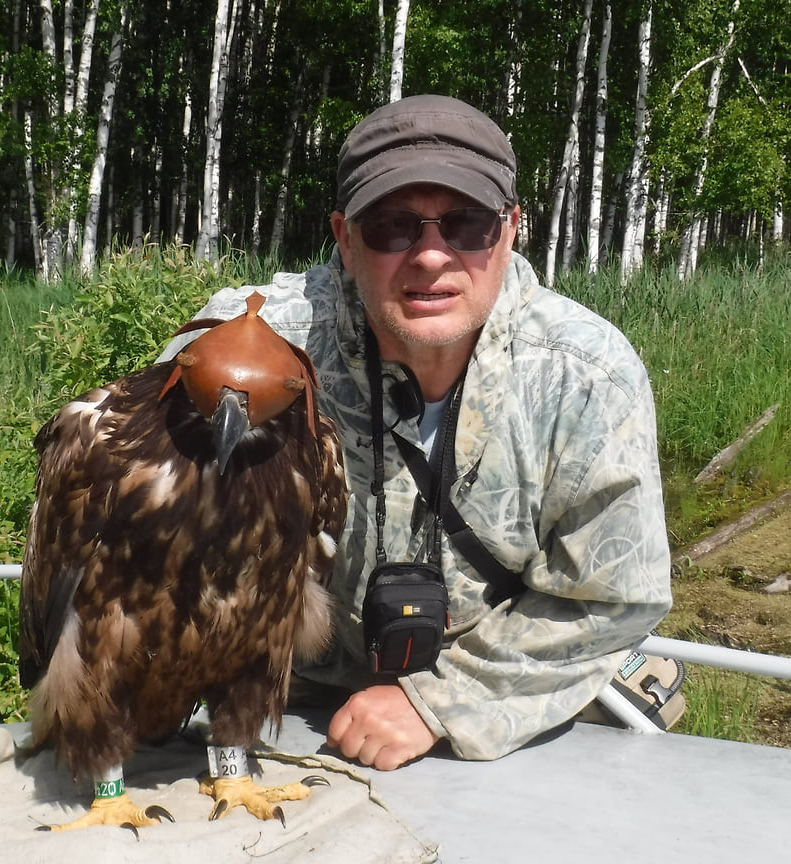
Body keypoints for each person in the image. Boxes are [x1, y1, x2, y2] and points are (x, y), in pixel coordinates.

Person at [161, 94, 672, 772]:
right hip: (272, 708)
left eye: (466, 225)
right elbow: (131, 530)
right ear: (344, 238)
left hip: (482, 716)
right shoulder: (246, 348)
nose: (431, 257)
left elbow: (613, 599)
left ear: (510, 229)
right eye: (392, 228)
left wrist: (439, 701)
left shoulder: (584, 376)